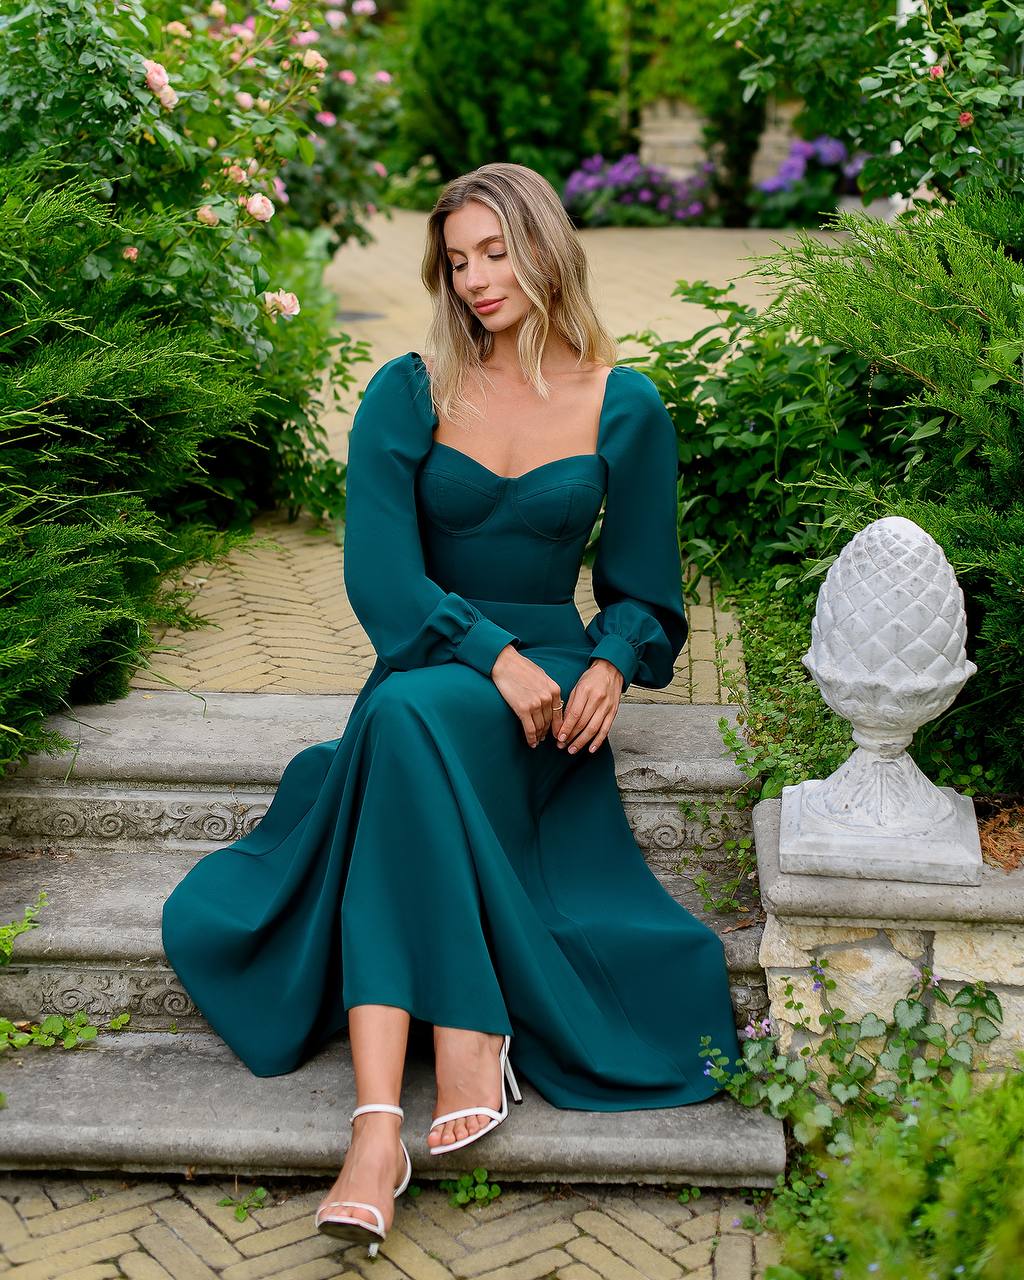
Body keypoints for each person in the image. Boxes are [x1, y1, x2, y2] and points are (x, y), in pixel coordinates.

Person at [161, 161, 742, 1258]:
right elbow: (382, 585)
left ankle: (390, 1122)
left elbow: (645, 593)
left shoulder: (627, 402)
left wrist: (609, 661)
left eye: (494, 251)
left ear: (545, 247)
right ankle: (416, 1085)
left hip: (550, 697)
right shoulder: (409, 387)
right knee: (406, 719)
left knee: (404, 736)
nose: (475, 278)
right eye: (457, 258)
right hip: (435, 660)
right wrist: (492, 652)